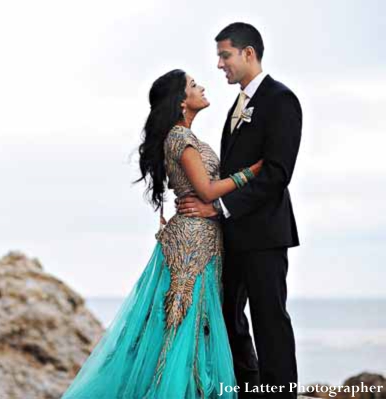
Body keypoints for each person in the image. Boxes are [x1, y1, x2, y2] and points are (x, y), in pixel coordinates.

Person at [61, 68, 263, 398]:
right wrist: (251, 172)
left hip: (201, 237)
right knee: (182, 319)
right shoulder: (180, 139)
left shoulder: (186, 137)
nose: (202, 87)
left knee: (193, 319)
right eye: (194, 85)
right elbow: (208, 191)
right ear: (182, 101)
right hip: (192, 241)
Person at [176, 22, 302, 398]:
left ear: (249, 54)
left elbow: (278, 174)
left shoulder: (281, 100)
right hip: (230, 235)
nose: (219, 65)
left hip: (265, 233)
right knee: (228, 317)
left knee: (269, 320)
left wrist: (219, 206)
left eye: (225, 55)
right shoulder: (237, 105)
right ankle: (245, 390)